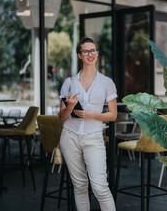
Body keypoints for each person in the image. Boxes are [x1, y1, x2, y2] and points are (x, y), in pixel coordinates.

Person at [58, 37, 117, 211]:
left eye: (93, 51)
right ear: (79, 55)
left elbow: (113, 115)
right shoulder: (69, 82)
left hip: (93, 138)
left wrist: (92, 115)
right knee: (80, 186)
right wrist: (69, 106)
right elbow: (61, 117)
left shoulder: (107, 83)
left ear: (97, 54)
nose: (90, 54)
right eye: (86, 51)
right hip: (69, 137)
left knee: (100, 188)